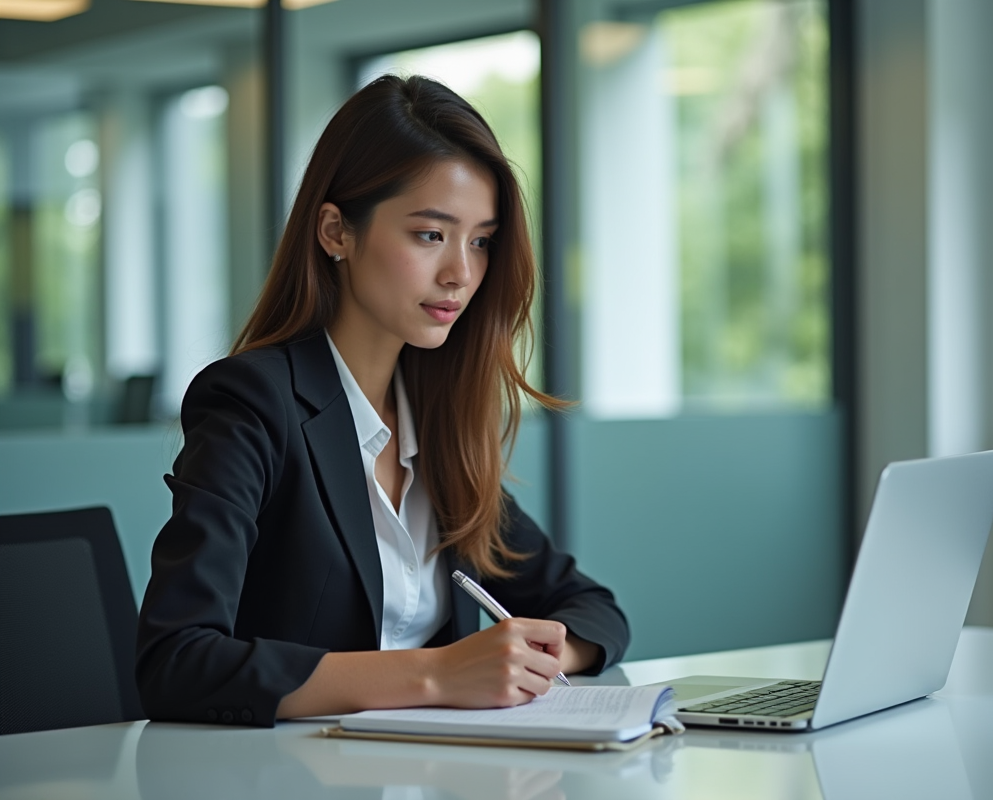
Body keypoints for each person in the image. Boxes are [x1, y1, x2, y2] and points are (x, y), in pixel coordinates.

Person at [135, 75, 629, 727]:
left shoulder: (437, 418)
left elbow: (592, 608)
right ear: (337, 231)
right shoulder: (253, 402)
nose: (461, 272)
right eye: (430, 234)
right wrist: (438, 674)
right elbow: (177, 662)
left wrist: (533, 654)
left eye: (480, 240)